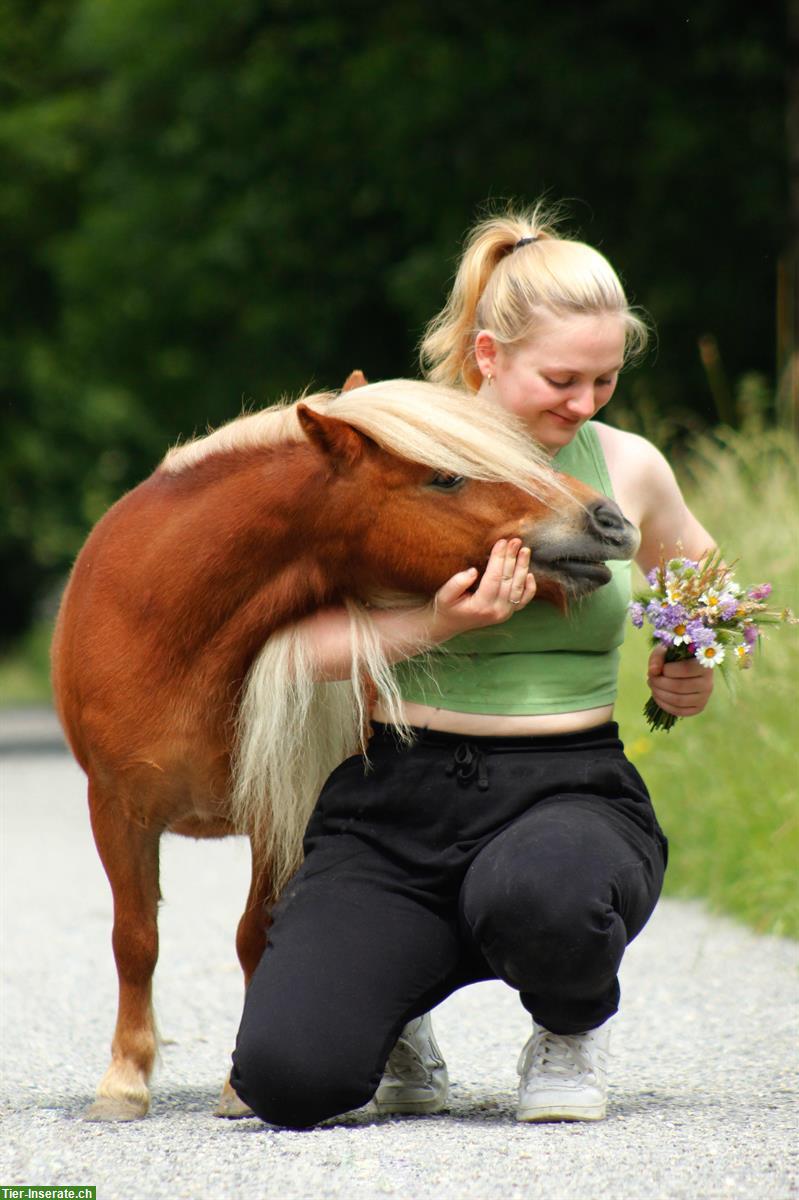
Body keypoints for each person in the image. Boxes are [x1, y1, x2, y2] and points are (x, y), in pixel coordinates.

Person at [230, 205, 716, 1128]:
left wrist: (683, 664)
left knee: (543, 893)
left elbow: (707, 589)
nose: (583, 403)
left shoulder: (627, 464)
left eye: (605, 379)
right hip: (395, 798)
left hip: (568, 791)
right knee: (289, 1081)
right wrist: (429, 625)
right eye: (561, 379)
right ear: (489, 355)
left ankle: (568, 1028)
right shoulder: (401, 455)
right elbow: (286, 653)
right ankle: (396, 1012)